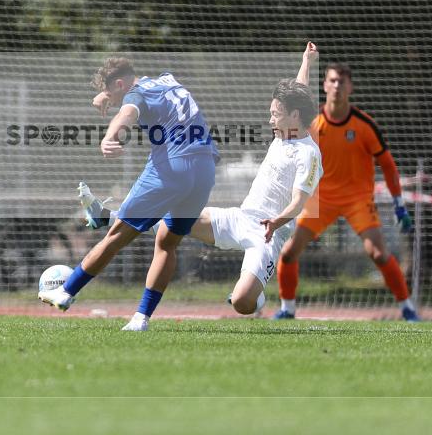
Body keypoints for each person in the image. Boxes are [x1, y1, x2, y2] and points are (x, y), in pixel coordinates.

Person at [78, 44, 323, 321]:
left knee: (242, 303)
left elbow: (298, 203)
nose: (270, 120)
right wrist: (306, 62)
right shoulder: (285, 131)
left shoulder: (309, 154)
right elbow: (298, 94)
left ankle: (256, 296)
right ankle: (107, 218)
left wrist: (276, 222)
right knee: (176, 221)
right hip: (240, 218)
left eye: (275, 114)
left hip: (268, 233)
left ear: (294, 117)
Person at [39, 57, 219, 331]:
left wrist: (109, 136)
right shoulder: (167, 78)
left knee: (116, 235)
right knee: (167, 243)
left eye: (113, 93)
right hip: (204, 170)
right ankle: (141, 318)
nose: (113, 100)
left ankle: (66, 291)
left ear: (121, 84)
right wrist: (106, 94)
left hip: (171, 168)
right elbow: (133, 88)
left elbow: (128, 112)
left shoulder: (134, 95)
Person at [273, 60, 419, 321]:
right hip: (321, 200)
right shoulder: (312, 122)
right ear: (325, 85)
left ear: (350, 87)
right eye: (332, 81)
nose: (337, 86)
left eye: (342, 81)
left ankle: (408, 308)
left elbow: (387, 164)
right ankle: (287, 309)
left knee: (378, 254)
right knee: (289, 252)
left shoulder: (365, 124)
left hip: (357, 200)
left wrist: (399, 204)